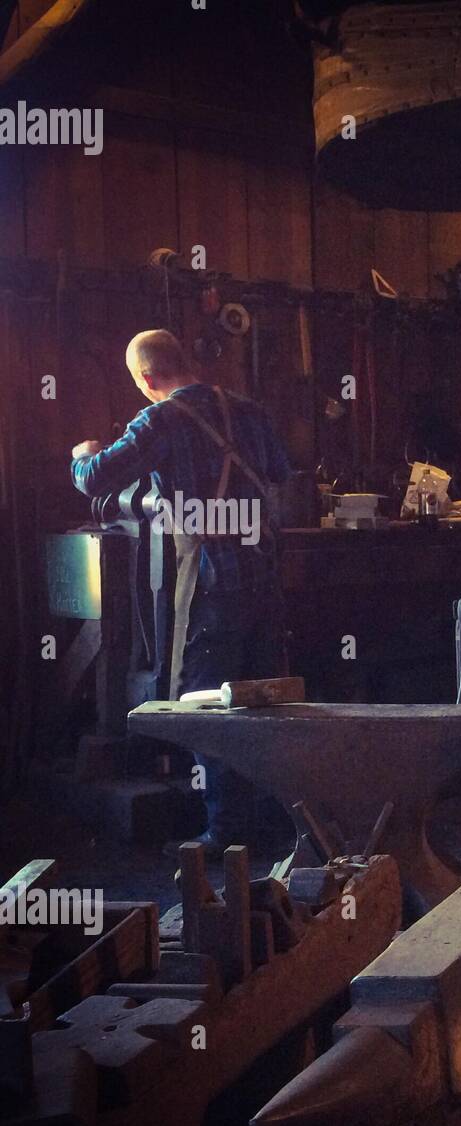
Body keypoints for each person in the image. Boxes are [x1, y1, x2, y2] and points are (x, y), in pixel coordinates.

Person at [71, 329, 292, 857]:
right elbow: (282, 473)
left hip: (215, 583)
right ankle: (275, 818)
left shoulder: (161, 418)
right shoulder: (250, 410)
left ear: (147, 378)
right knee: (268, 703)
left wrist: (83, 454)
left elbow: (96, 478)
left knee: (209, 704)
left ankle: (226, 832)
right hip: (265, 578)